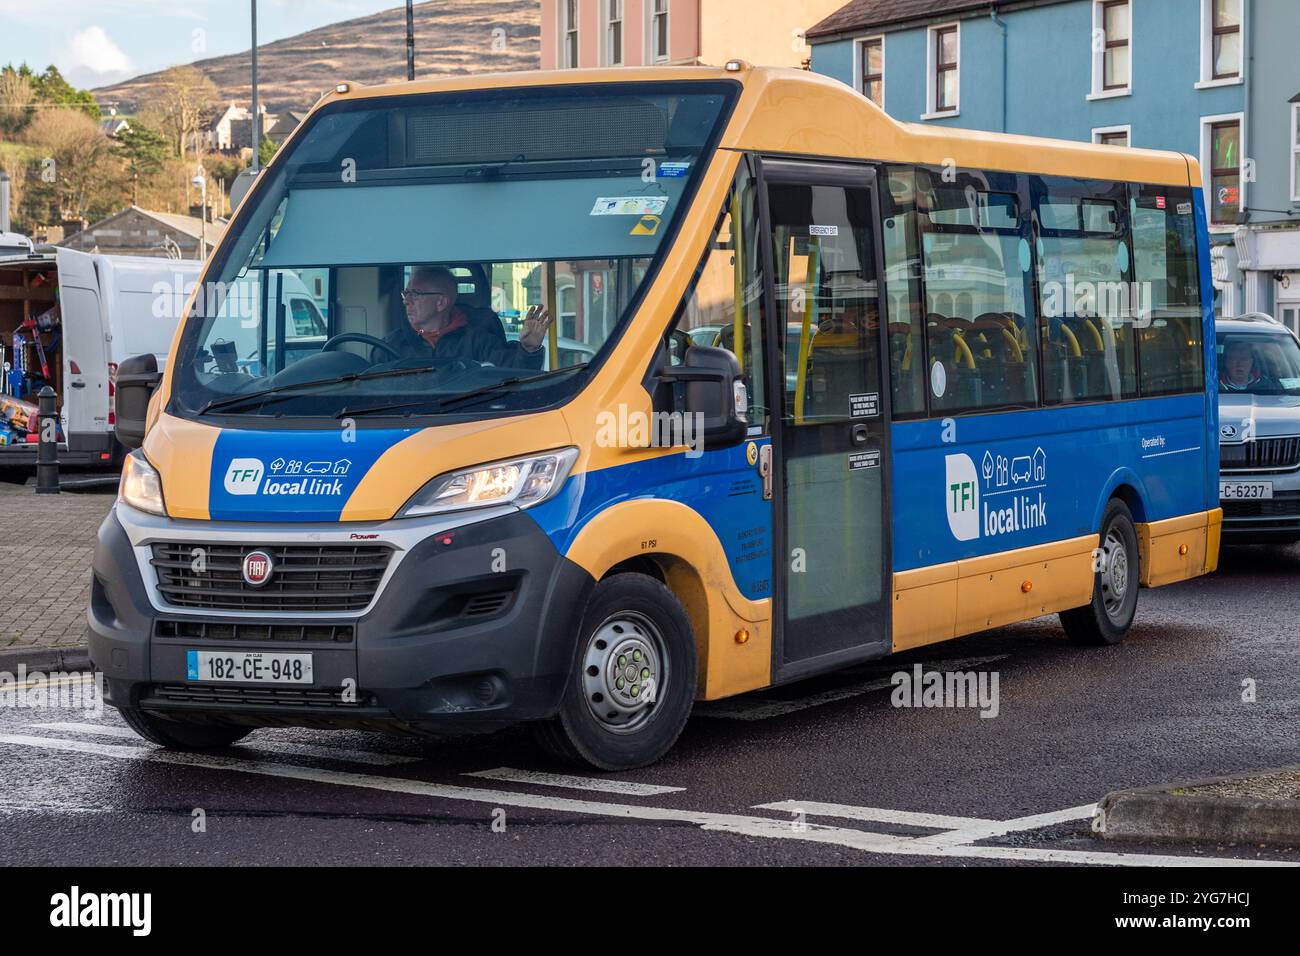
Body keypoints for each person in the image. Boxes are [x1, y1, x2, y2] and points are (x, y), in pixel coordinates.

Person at [384, 266, 552, 369]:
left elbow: (518, 381)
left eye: (415, 294)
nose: (406, 301)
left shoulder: (479, 342)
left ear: (441, 303)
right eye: (406, 294)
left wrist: (529, 350)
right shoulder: (391, 345)